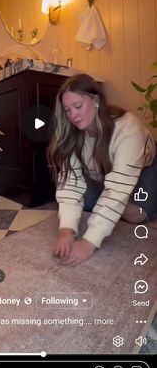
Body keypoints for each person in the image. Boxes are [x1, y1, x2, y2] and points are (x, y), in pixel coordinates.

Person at [47, 73, 157, 266]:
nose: (73, 115)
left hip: (145, 166)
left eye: (78, 106)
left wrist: (90, 241)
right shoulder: (74, 134)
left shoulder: (127, 126)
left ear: (96, 100)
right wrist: (66, 229)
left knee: (134, 214)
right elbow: (70, 185)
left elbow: (117, 189)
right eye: (67, 110)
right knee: (85, 201)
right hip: (106, 174)